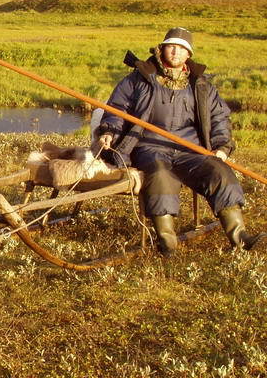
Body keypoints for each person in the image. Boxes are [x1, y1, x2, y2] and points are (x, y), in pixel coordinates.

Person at [95, 27, 264, 255]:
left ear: (188, 55)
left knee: (220, 173)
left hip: (190, 148)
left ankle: (239, 238)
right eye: (171, 47)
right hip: (149, 146)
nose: (175, 52)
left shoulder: (201, 84)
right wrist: (109, 131)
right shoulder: (139, 78)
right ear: (162, 49)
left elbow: (219, 118)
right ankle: (168, 244)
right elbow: (116, 108)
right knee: (160, 175)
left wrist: (222, 148)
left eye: (182, 49)